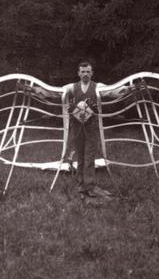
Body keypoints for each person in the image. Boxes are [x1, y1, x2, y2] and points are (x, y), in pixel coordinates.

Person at [29, 61, 132, 198]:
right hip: (76, 126)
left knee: (89, 155)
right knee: (80, 156)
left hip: (91, 126)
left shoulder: (97, 87)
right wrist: (36, 90)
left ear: (92, 73)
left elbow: (113, 91)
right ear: (78, 73)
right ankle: (81, 185)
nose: (85, 74)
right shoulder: (72, 87)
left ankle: (90, 186)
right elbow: (55, 92)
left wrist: (128, 89)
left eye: (88, 71)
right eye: (83, 71)